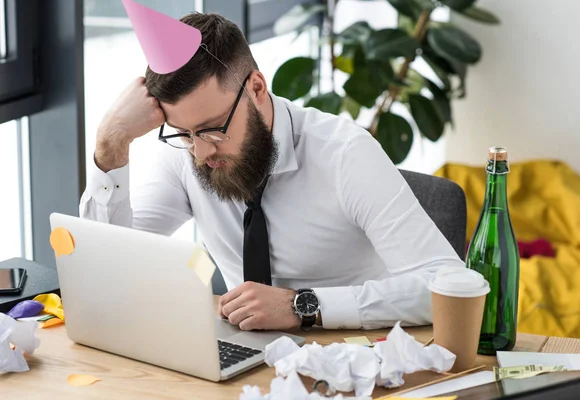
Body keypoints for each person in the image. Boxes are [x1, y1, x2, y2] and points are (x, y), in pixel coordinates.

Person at [80, 12, 464, 332]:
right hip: (246, 359)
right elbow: (109, 270)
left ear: (257, 88)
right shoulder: (187, 152)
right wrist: (109, 145)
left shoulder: (345, 154)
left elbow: (447, 286)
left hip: (354, 356)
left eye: (214, 128)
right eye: (185, 134)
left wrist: (304, 306)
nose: (201, 152)